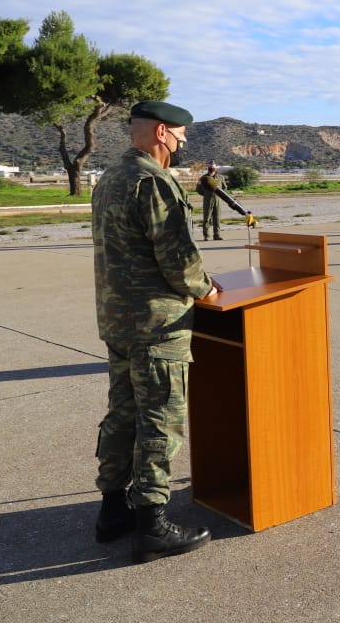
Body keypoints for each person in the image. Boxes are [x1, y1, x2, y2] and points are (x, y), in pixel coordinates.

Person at [92, 100, 218, 563]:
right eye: (182, 138)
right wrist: (204, 289)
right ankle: (152, 526)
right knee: (159, 421)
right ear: (163, 132)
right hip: (157, 325)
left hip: (118, 320)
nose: (183, 147)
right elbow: (179, 260)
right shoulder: (154, 181)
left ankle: (112, 510)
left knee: (122, 413)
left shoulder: (111, 177)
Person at [196, 161, 226, 241]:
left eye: (213, 166)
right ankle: (206, 236)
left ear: (215, 167)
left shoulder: (220, 177)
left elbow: (224, 188)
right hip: (207, 200)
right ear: (208, 167)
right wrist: (206, 194)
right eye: (210, 166)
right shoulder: (203, 178)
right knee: (207, 218)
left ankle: (217, 235)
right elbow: (198, 189)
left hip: (217, 200)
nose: (212, 167)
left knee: (217, 218)